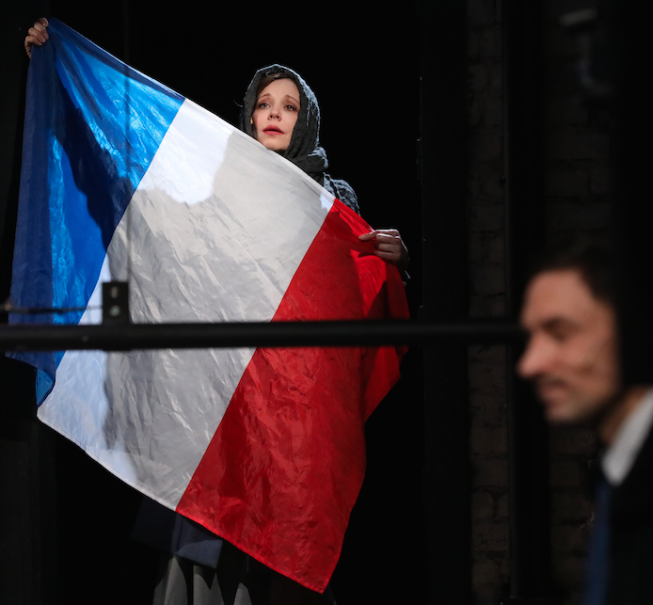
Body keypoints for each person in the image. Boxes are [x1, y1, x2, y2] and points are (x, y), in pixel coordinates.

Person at [26, 18, 410, 605]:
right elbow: (146, 210)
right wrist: (64, 76)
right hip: (222, 401)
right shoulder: (220, 192)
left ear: (305, 120)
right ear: (250, 117)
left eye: (288, 106)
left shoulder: (334, 203)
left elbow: (358, 307)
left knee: (285, 549)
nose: (274, 114)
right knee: (204, 554)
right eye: (264, 104)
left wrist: (395, 262)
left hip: (294, 413)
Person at [517, 239, 653, 605]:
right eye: (531, 337)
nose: (530, 364)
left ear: (633, 331)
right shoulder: (622, 475)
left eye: (560, 333)